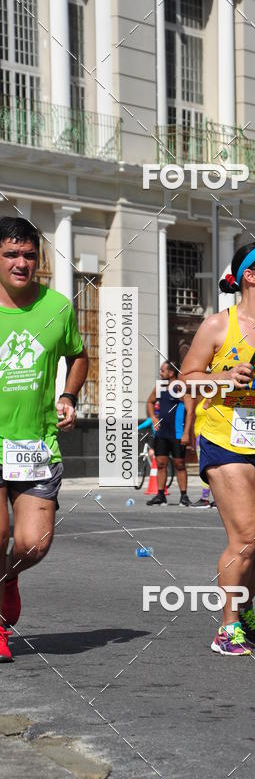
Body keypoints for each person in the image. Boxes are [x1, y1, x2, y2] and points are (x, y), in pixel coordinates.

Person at [181, 242, 255, 656]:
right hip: (223, 439)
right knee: (248, 537)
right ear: (250, 276)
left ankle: (244, 600)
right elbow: (185, 380)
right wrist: (222, 378)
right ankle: (228, 626)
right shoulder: (217, 326)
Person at [0, 217, 88, 663]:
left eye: (29, 255)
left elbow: (78, 356)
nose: (21, 263)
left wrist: (69, 395)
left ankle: (7, 578)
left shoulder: (57, 306)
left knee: (32, 544)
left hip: (36, 444)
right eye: (11, 254)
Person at [145, 362, 194, 506]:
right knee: (161, 463)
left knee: (179, 464)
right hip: (162, 434)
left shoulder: (181, 388)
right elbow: (149, 402)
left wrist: (186, 434)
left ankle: (184, 496)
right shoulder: (159, 387)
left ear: (171, 372)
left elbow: (190, 412)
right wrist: (153, 418)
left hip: (178, 433)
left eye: (163, 370)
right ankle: (160, 495)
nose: (160, 373)